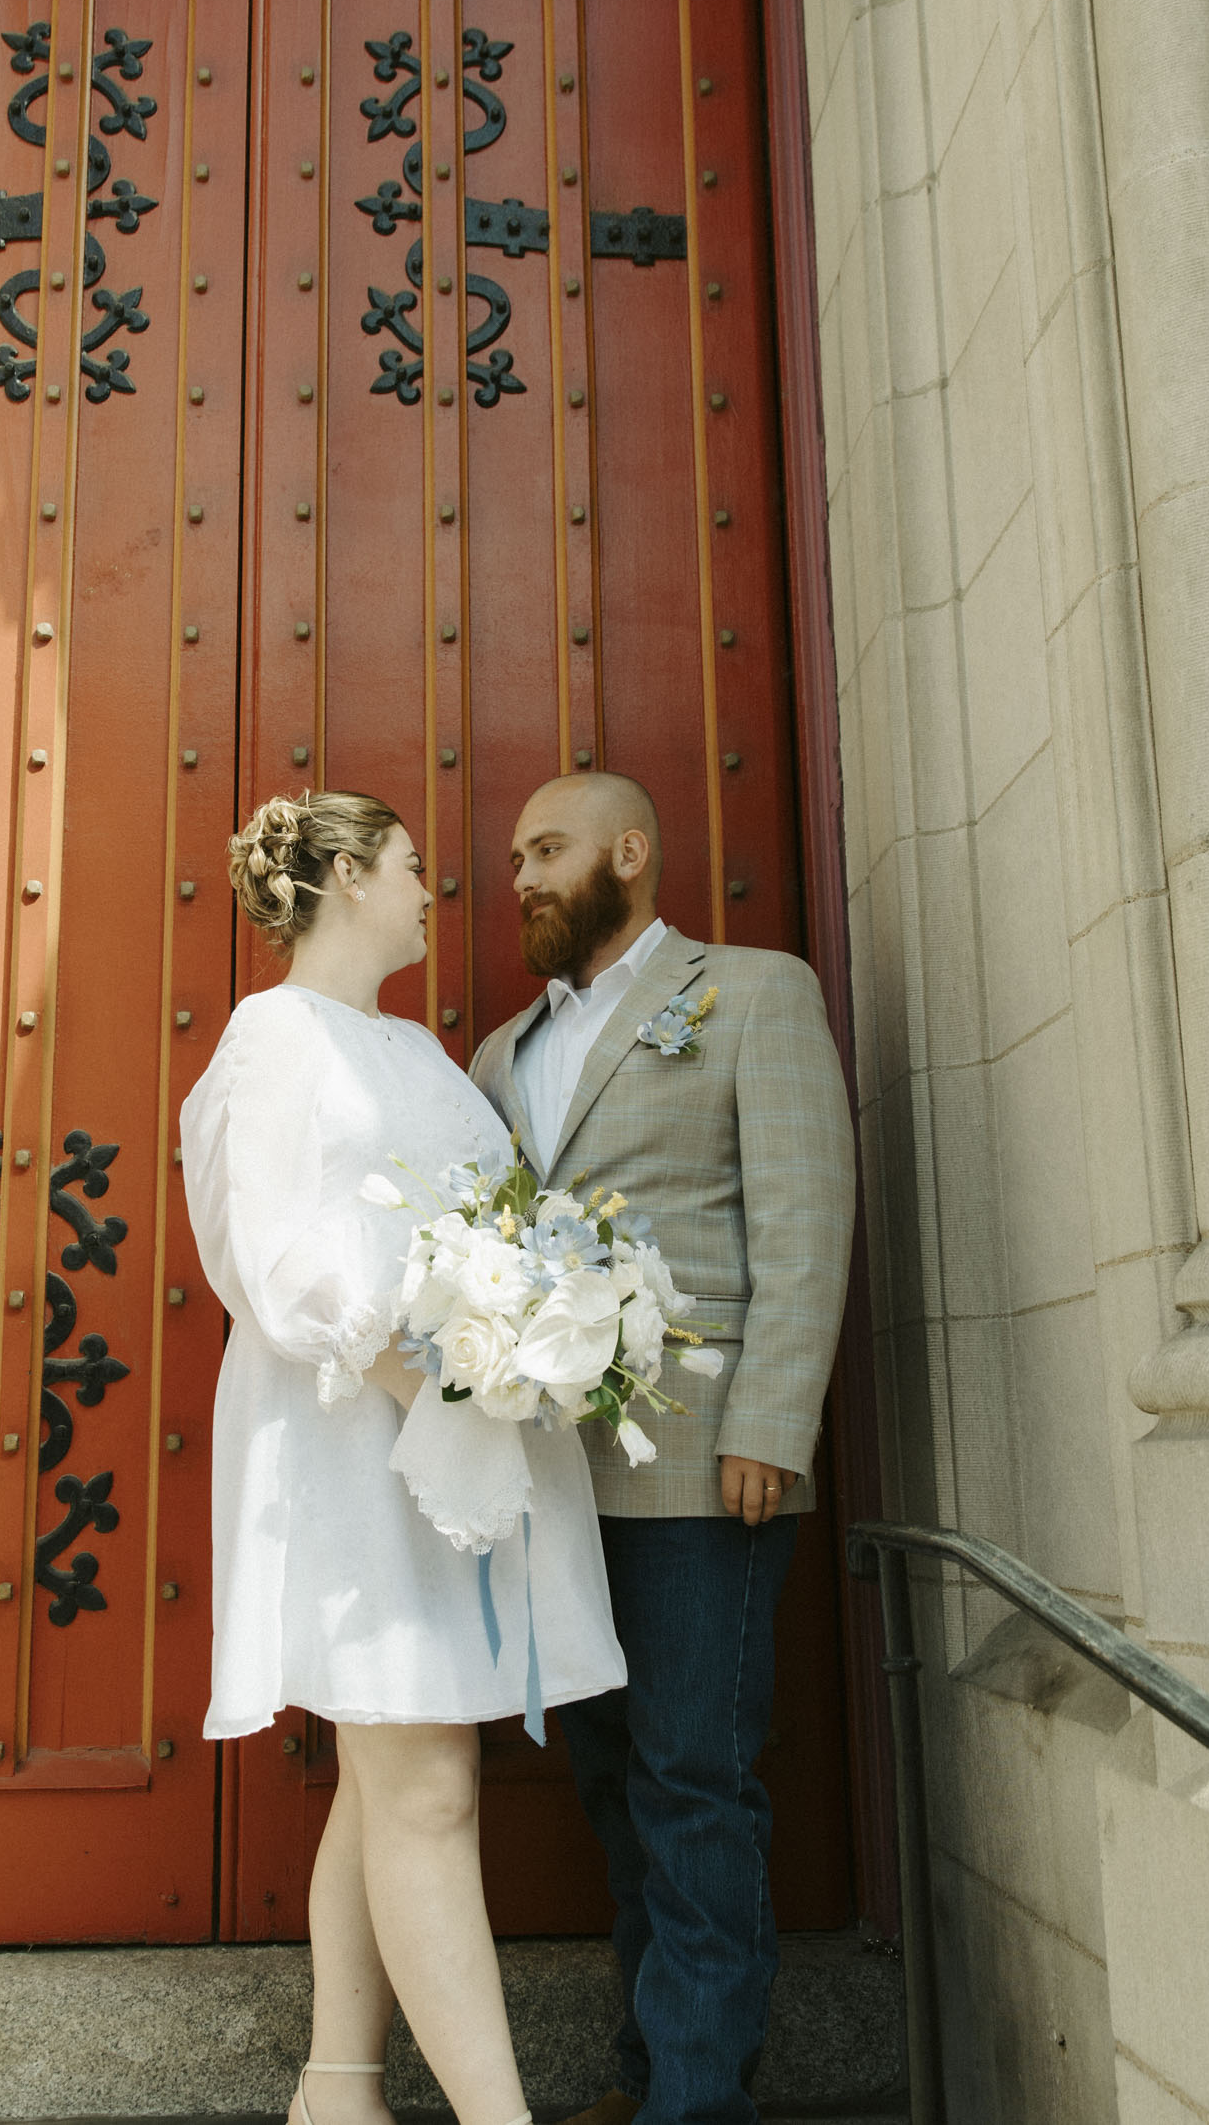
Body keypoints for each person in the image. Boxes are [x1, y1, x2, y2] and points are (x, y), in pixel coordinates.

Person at [180, 789, 626, 2125]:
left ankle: (338, 2088)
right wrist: (413, 1364)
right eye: (414, 866)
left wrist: (527, 1329)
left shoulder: (421, 1054)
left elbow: (491, 1222)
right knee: (424, 1784)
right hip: (343, 1443)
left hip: (449, 1441)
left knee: (393, 1782)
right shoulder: (271, 1039)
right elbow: (260, 1249)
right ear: (346, 878)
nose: (437, 889)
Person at [469, 772, 856, 2125]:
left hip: (707, 1470)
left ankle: (698, 2106)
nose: (521, 874)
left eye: (550, 848)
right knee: (614, 1793)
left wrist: (772, 1423)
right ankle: (652, 2082)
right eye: (515, 855)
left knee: (695, 1783)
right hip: (559, 1486)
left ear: (631, 852)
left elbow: (805, 1218)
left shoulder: (753, 992)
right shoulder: (502, 1054)